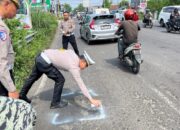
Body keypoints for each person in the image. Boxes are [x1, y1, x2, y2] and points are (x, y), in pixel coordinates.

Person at [20, 49, 101, 109]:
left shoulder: (72, 52)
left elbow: (61, 52)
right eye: (86, 66)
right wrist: (91, 100)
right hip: (45, 62)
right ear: (83, 62)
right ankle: (55, 103)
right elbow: (81, 84)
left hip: (40, 56)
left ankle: (22, 95)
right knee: (60, 80)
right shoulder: (73, 66)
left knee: (32, 78)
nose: (85, 68)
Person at [0, 0, 20, 99]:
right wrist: (11, 89)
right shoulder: (1, 28)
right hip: (2, 81)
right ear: (7, 4)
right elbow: (1, 61)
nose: (16, 12)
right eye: (15, 8)